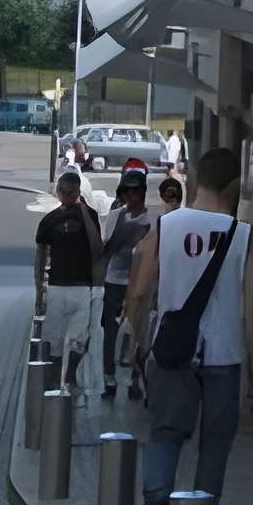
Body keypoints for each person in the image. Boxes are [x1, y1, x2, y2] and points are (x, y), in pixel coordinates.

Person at [125, 142, 252, 505]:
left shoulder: (167, 226)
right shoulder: (242, 234)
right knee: (214, 448)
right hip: (223, 356)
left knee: (165, 433)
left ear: (197, 180)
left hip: (172, 352)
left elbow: (140, 290)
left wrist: (139, 344)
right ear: (234, 185)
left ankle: (156, 503)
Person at [34, 171, 104, 394]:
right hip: (60, 286)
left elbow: (96, 247)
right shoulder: (50, 219)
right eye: (64, 192)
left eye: (71, 192)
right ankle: (57, 380)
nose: (67, 196)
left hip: (79, 287)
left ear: (77, 192)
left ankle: (69, 376)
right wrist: (39, 290)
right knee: (56, 339)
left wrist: (82, 209)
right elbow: (40, 255)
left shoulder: (88, 215)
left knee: (78, 338)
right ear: (59, 192)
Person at [97, 169, 153, 403]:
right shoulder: (115, 216)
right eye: (127, 192)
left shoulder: (149, 222)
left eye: (136, 192)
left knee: (137, 332)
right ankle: (109, 379)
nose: (132, 197)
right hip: (114, 281)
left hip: (137, 283)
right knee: (110, 331)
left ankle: (134, 380)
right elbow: (106, 246)